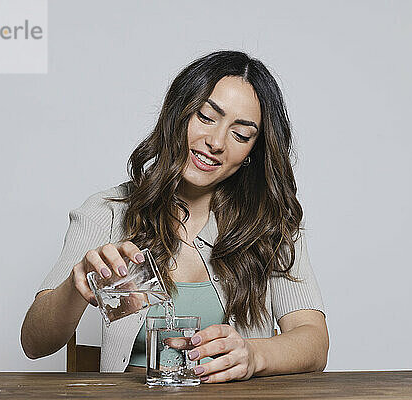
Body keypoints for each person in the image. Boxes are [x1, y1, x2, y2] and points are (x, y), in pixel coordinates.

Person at [21, 50, 329, 383]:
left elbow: (313, 340)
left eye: (240, 135)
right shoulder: (107, 213)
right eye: (206, 116)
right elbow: (35, 343)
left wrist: (255, 355)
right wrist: (77, 284)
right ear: (177, 114)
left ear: (254, 151)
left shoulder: (268, 226)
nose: (215, 142)